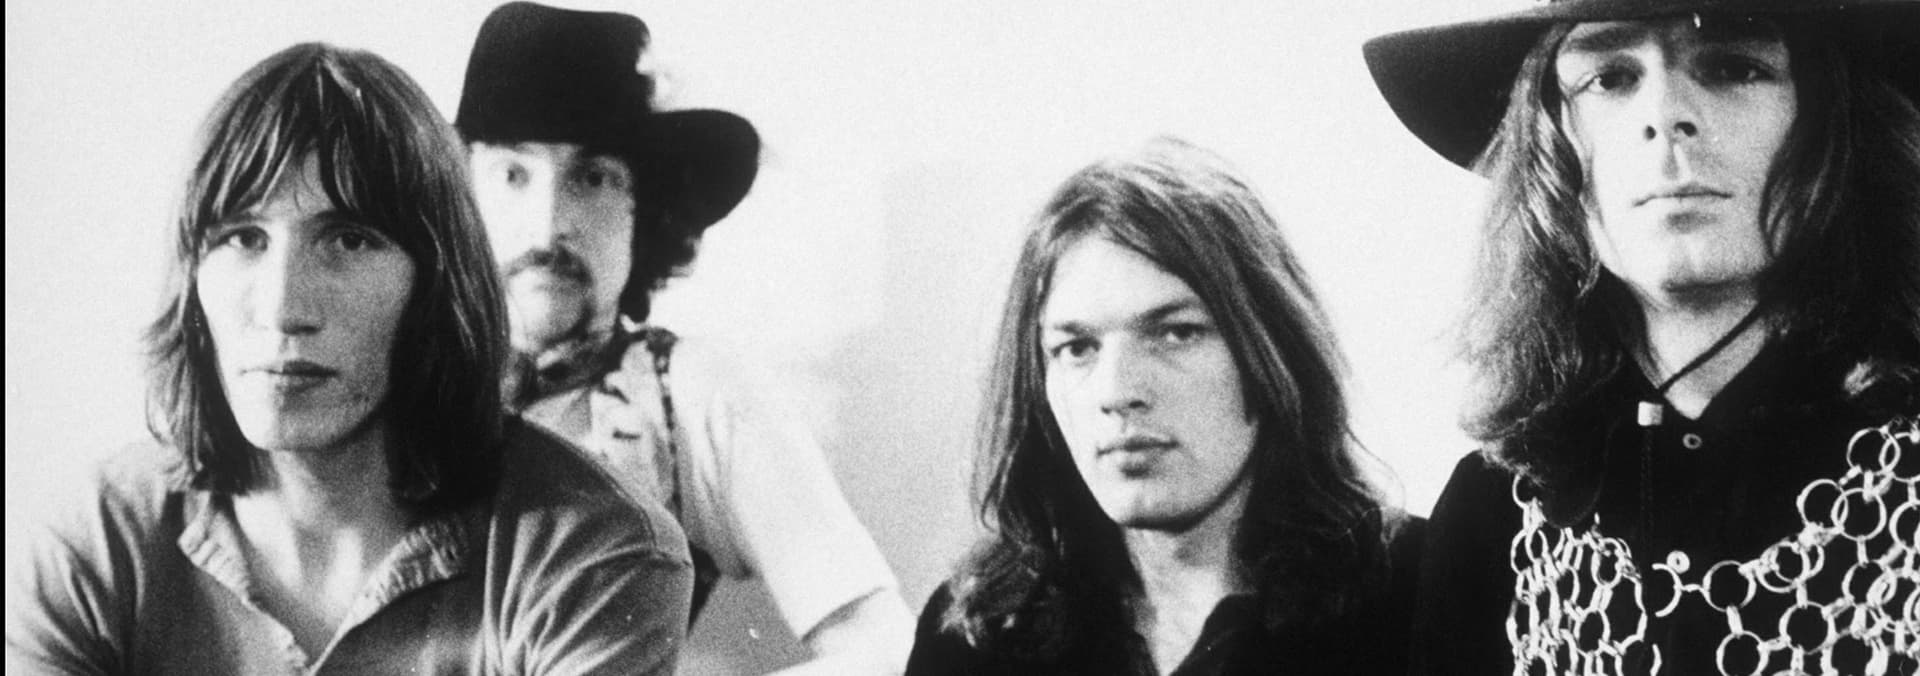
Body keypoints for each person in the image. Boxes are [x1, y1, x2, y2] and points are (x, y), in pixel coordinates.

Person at [4, 43, 694, 674]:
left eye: (349, 240)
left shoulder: (593, 549)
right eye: (243, 238)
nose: (283, 308)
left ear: (436, 283)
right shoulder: (97, 538)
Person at [1364, 1, 1920, 674]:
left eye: (1734, 67)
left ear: (1837, 126)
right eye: (1609, 78)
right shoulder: (1491, 515)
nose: (1665, 114)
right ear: (1549, 148)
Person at [454, 3, 912, 673]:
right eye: (512, 175)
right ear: (459, 194)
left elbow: (883, 646)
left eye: (593, 178)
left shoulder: (687, 393)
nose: (548, 225)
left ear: (645, 211)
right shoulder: (387, 376)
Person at [906, 138, 1423, 675]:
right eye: (1077, 348)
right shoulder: (976, 636)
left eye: (1176, 333)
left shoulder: (1420, 596)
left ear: (1272, 350)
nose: (1117, 391)